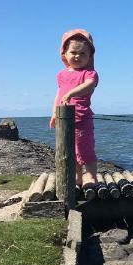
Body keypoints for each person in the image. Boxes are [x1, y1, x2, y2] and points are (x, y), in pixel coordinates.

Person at [49, 29, 99, 186]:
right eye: (74, 52)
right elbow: (58, 94)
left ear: (90, 56)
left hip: (82, 118)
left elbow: (89, 86)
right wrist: (54, 113)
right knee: (70, 151)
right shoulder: (61, 75)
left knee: (85, 148)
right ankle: (77, 177)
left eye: (83, 53)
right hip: (64, 119)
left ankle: (91, 176)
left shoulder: (89, 73)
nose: (77, 56)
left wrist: (71, 93)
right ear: (64, 54)